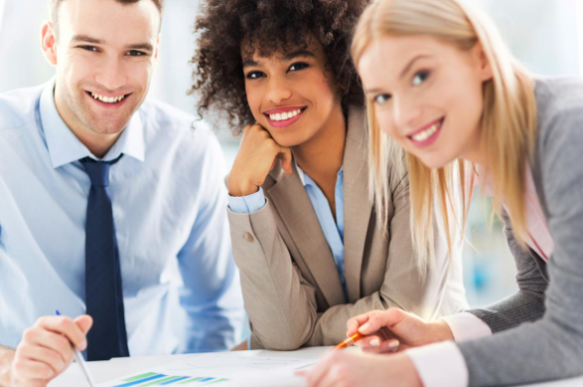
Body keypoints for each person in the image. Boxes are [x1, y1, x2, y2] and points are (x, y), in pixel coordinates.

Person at [301, 0, 583, 386]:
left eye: (420, 76)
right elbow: (542, 297)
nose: (402, 115)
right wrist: (439, 335)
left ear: (481, 58)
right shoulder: (499, 158)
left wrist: (409, 372)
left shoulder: (570, 133)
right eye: (383, 96)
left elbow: (574, 335)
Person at [190, 0, 468, 351]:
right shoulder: (257, 179)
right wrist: (243, 195)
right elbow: (282, 335)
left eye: (297, 65)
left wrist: (307, 332)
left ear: (341, 65)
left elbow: (405, 314)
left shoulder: (408, 144)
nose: (275, 93)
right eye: (256, 74)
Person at [0, 0, 245, 386]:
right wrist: (11, 370)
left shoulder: (190, 150)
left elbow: (215, 313)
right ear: (51, 44)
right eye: (89, 47)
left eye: (135, 52)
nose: (113, 79)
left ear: (156, 53)